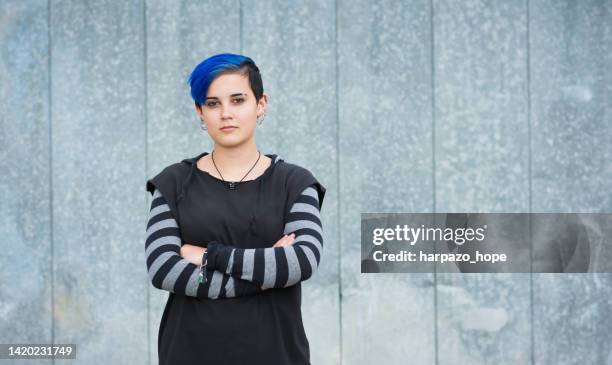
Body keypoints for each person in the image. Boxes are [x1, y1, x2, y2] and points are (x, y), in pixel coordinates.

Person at [144, 53, 326, 365]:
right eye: (213, 103)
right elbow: (164, 269)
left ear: (261, 104)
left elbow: (301, 260)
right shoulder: (173, 183)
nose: (226, 113)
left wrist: (207, 256)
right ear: (200, 111)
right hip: (189, 353)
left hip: (276, 354)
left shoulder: (294, 182)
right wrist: (265, 275)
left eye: (238, 100)